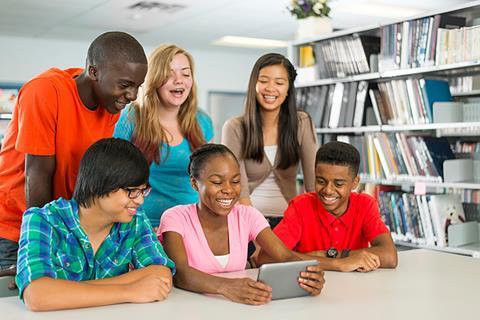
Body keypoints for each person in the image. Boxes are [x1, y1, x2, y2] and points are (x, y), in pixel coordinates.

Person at [0, 31, 148, 278]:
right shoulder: (45, 91)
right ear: (94, 72)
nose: (132, 96)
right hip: (20, 226)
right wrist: (39, 248)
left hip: (64, 226)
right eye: (125, 85)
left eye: (137, 87)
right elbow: (37, 176)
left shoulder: (110, 106)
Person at [16, 138, 175, 311]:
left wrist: (66, 292)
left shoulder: (135, 221)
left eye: (143, 190)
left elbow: (161, 273)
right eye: (131, 191)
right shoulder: (42, 220)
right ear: (95, 185)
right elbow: (37, 295)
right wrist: (130, 291)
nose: (140, 200)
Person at [158, 143, 324, 305]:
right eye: (217, 182)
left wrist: (309, 275)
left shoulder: (247, 215)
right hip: (187, 309)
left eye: (235, 181)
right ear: (194, 183)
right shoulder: (175, 217)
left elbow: (285, 256)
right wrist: (227, 287)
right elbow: (179, 272)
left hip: (236, 310)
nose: (228, 190)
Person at [258, 141, 398, 272]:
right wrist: (339, 263)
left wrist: (333, 255)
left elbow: (390, 257)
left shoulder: (365, 205)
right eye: (321, 181)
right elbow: (265, 258)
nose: (328, 190)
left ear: (354, 183)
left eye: (338, 184)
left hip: (356, 289)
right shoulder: (301, 206)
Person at [114, 44, 213, 227]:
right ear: (155, 78)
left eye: (185, 73)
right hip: (143, 225)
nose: (179, 80)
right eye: (170, 74)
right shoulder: (132, 118)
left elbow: (210, 178)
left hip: (191, 225)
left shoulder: (203, 122)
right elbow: (113, 179)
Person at [222, 53, 317, 227]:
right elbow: (239, 192)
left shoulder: (302, 123)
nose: (270, 88)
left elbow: (313, 186)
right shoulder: (235, 127)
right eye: (264, 81)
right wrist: (260, 234)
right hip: (246, 223)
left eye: (279, 83)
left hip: (291, 222)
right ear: (254, 84)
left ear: (288, 89)